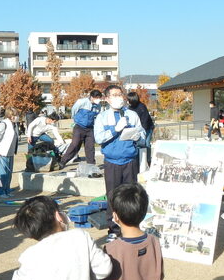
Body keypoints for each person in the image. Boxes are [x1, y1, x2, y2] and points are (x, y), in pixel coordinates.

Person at [94, 85, 146, 241]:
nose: (118, 97)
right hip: (112, 162)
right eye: (114, 95)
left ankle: (132, 227)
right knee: (112, 196)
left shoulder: (132, 115)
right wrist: (115, 129)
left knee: (131, 196)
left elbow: (142, 134)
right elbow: (98, 138)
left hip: (130, 161)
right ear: (107, 99)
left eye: (120, 94)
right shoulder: (102, 117)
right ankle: (114, 229)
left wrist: (138, 136)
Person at [59, 90, 102, 168]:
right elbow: (74, 110)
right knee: (75, 145)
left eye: (99, 98)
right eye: (96, 97)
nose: (98, 99)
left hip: (90, 128)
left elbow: (97, 116)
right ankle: (63, 161)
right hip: (79, 127)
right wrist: (76, 120)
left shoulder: (98, 106)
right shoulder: (82, 102)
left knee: (90, 147)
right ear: (91, 97)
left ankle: (91, 165)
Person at [0, 109, 18, 197]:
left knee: (9, 173)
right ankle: (0, 192)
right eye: (14, 115)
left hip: (10, 152)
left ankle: (6, 190)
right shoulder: (3, 124)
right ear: (9, 115)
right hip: (2, 152)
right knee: (2, 173)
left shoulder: (13, 124)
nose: (16, 117)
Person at [126, 91, 155, 165]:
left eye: (128, 100)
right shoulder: (129, 108)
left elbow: (144, 122)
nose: (127, 101)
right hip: (137, 129)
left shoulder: (142, 107)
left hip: (147, 128)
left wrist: (142, 133)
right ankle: (138, 160)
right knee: (137, 145)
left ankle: (148, 161)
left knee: (146, 144)